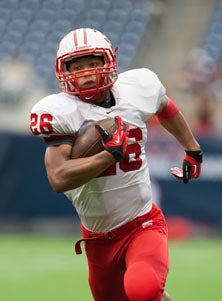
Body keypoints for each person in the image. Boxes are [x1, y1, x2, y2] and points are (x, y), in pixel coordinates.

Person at [29, 28, 203, 301]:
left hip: (142, 222)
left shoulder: (137, 87)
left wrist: (193, 149)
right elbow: (59, 178)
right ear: (62, 70)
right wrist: (108, 156)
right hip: (98, 238)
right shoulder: (60, 111)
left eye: (92, 63)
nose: (85, 73)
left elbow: (165, 107)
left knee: (142, 290)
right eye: (77, 66)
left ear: (108, 62)